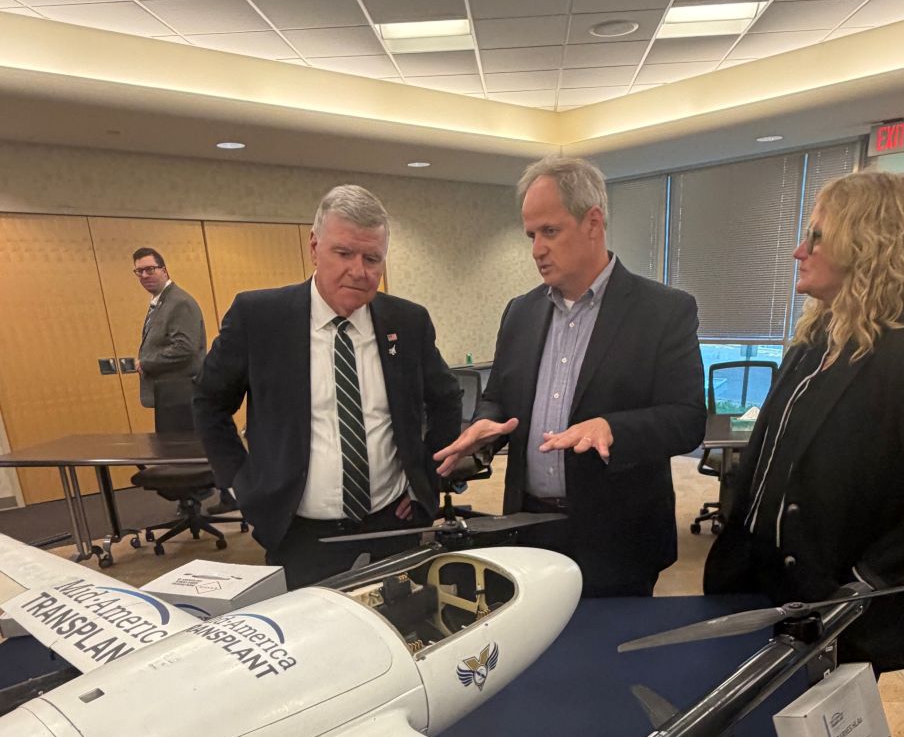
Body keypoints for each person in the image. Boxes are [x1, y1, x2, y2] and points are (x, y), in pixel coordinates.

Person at [703, 171, 904, 672]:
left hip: (835, 608)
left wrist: (862, 581)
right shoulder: (816, 339)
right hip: (755, 590)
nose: (798, 251)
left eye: (815, 236)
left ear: (865, 244)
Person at [434, 154, 705, 597]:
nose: (537, 248)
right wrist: (488, 423)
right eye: (531, 235)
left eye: (550, 231)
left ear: (593, 222)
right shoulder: (520, 312)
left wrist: (611, 428)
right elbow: (499, 395)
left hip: (618, 540)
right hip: (529, 531)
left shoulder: (664, 311)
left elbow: (687, 419)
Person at [193, 185, 462, 588]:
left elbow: (446, 399)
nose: (359, 270)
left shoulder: (408, 323)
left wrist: (425, 480)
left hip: (393, 524)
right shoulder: (259, 318)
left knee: (404, 632)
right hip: (300, 532)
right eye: (344, 253)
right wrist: (241, 482)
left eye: (372, 258)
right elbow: (208, 401)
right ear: (314, 246)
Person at [133, 247, 206, 409]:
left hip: (181, 395)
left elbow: (185, 348)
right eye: (139, 271)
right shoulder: (161, 302)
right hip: (169, 396)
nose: (144, 275)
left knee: (183, 436)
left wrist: (145, 363)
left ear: (164, 271)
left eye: (150, 269)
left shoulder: (179, 302)